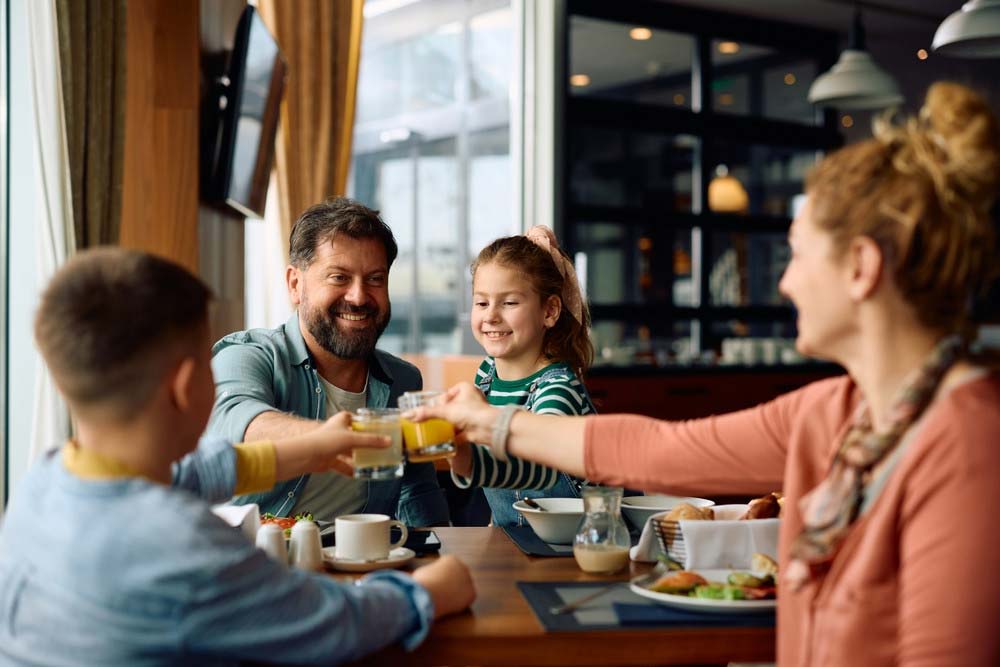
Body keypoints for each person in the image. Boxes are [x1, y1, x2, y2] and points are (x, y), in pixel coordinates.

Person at [407, 82, 1000, 666]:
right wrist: (487, 421)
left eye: (797, 253)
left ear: (861, 267)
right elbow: (660, 451)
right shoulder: (833, 411)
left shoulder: (970, 445)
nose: (785, 282)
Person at [0, 248, 475, 666]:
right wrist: (428, 592)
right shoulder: (180, 544)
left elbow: (191, 475)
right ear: (187, 386)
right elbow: (334, 625)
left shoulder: (44, 482)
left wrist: (311, 448)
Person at [208, 197, 449, 526]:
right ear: (296, 284)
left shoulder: (403, 380)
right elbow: (236, 421)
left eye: (375, 279)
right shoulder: (247, 355)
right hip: (256, 561)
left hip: (360, 565)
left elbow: (415, 491)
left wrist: (432, 550)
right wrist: (325, 441)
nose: (359, 296)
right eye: (339, 277)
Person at [449, 227, 596, 527]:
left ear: (550, 311)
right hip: (518, 541)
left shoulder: (558, 387)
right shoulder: (486, 373)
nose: (491, 315)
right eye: (482, 302)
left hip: (573, 547)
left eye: (509, 303)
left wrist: (466, 460)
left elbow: (537, 468)